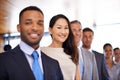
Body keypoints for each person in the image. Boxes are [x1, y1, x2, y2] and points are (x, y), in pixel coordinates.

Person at [0, 6, 63, 80]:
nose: (35, 28)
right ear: (19, 27)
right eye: (28, 23)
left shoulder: (54, 64)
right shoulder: (3, 61)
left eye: (40, 23)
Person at [41, 14, 80, 80]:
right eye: (59, 27)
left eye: (66, 28)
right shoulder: (42, 51)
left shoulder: (72, 50)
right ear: (50, 30)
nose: (63, 32)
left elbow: (77, 78)